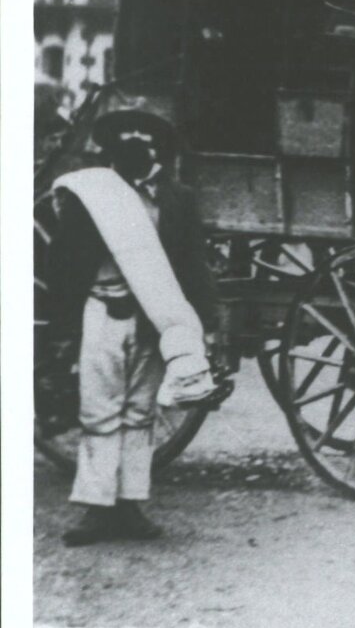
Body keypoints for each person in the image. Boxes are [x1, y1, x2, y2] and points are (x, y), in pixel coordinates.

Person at [42, 98, 222, 546]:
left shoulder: (178, 201)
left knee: (141, 412)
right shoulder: (93, 196)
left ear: (158, 148)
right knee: (99, 412)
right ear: (110, 149)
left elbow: (193, 266)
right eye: (126, 138)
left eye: (145, 138)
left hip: (150, 318)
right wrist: (60, 329)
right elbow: (64, 262)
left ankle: (130, 505)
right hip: (101, 311)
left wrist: (208, 323)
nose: (136, 145)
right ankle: (96, 508)